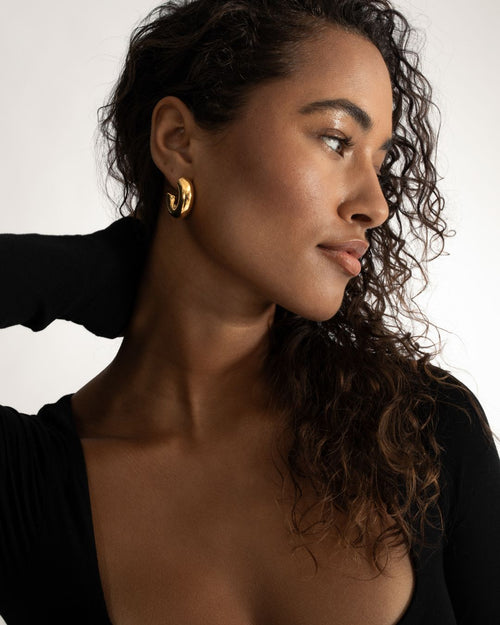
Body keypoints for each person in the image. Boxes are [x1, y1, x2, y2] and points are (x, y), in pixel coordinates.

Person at [1, 0, 499, 624]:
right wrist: (76, 274)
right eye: (336, 140)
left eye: (379, 161)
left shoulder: (422, 431)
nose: (376, 204)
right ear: (178, 141)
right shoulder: (26, 487)